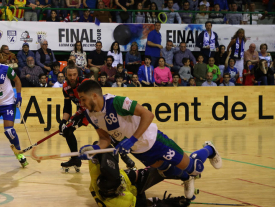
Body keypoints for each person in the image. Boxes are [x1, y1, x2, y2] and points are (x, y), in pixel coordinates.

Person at [77, 80, 222, 199]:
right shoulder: (90, 115)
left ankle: (209, 149)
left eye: (83, 99)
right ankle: (187, 179)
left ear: (94, 96)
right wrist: (95, 149)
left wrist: (133, 139)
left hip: (154, 141)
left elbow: (148, 114)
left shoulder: (116, 102)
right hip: (139, 151)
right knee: (166, 171)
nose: (81, 103)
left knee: (196, 169)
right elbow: (104, 138)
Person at [60, 62, 135, 170]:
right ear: (66, 75)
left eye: (74, 74)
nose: (72, 77)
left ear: (78, 74)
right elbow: (67, 106)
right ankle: (75, 159)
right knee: (67, 130)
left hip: (94, 110)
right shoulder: (65, 87)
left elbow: (96, 99)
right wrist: (63, 121)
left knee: (109, 134)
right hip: (83, 111)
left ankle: (126, 158)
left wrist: (79, 116)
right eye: (70, 75)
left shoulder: (85, 83)